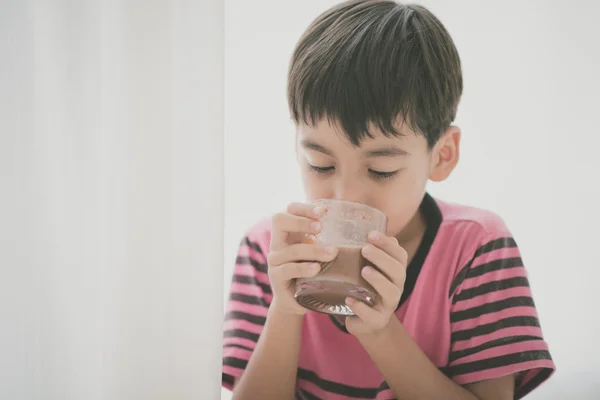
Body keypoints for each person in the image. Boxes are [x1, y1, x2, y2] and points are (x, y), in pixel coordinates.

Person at [221, 1, 555, 399]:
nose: (346, 196)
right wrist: (286, 309)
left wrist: (381, 330)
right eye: (320, 164)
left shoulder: (476, 249)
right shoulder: (268, 251)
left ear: (442, 155)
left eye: (381, 170)